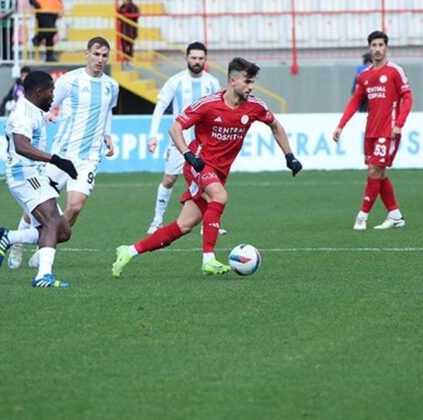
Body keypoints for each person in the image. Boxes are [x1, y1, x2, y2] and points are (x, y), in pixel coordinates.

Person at [112, 57, 303, 277]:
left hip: (219, 172)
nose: (251, 87)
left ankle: (129, 251)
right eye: (247, 82)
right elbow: (175, 128)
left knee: (183, 226)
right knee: (220, 196)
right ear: (232, 81)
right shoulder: (208, 104)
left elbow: (275, 125)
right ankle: (208, 259)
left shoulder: (255, 106)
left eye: (253, 83)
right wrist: (188, 155)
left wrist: (290, 156)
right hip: (199, 164)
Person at [5, 37, 118, 270]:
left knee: (74, 206)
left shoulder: (111, 86)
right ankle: (19, 240)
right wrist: (46, 117)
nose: (100, 59)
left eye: (104, 55)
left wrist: (108, 134)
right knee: (39, 203)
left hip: (89, 157)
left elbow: (108, 112)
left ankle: (45, 247)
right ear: (87, 54)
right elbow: (46, 101)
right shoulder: (70, 80)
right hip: (62, 153)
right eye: (96, 54)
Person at [0, 71, 78, 287]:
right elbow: (21, 146)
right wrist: (56, 160)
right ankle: (43, 276)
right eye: (51, 91)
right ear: (39, 92)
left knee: (63, 231)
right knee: (50, 223)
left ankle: (9, 238)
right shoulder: (23, 114)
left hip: (35, 174)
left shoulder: (34, 108)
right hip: (24, 175)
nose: (53, 95)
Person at [332, 30, 413, 230]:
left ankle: (362, 216)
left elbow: (408, 98)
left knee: (374, 170)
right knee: (380, 173)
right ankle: (395, 215)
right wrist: (341, 125)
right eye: (374, 45)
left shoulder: (395, 71)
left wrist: (399, 124)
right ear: (370, 48)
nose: (377, 49)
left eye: (381, 45)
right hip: (371, 132)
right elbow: (355, 101)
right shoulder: (365, 75)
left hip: (389, 131)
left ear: (386, 47)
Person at [145, 42, 220, 235]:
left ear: (205, 60)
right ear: (186, 58)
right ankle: (157, 220)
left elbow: (217, 111)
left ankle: (208, 224)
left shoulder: (212, 82)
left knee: (208, 182)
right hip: (181, 141)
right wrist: (153, 135)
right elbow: (160, 107)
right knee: (169, 180)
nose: (196, 62)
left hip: (205, 143)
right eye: (193, 58)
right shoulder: (175, 81)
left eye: (200, 58)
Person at [117, 0, 139, 65]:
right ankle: (124, 60)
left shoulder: (134, 7)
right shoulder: (122, 7)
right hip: (123, 30)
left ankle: (130, 60)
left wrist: (126, 14)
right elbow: (118, 16)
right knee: (123, 46)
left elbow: (136, 16)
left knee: (131, 46)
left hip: (131, 30)